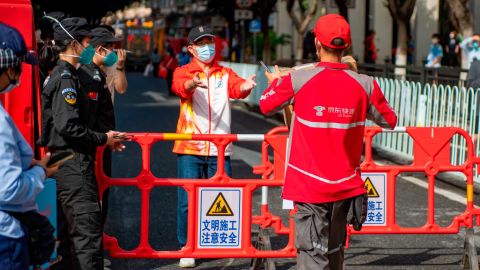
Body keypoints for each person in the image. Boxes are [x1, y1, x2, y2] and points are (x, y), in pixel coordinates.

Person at [259, 14, 397, 269]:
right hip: (345, 188)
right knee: (334, 255)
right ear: (346, 46)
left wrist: (277, 82)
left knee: (312, 257)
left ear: (316, 44)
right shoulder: (365, 84)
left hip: (309, 187)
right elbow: (390, 119)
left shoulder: (298, 80)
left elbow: (265, 103)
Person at [38, 17, 125, 270]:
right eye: (87, 42)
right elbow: (69, 126)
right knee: (87, 239)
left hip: (65, 163)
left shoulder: (64, 73)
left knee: (70, 240)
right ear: (75, 44)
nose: (90, 48)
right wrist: (103, 138)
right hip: (73, 165)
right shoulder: (66, 77)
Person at [172, 25, 256, 268]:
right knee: (187, 201)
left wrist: (245, 86)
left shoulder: (224, 73)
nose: (207, 47)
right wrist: (192, 83)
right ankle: (186, 247)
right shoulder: (182, 71)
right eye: (201, 43)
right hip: (190, 147)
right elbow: (180, 87)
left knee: (221, 197)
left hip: (220, 148)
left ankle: (212, 243)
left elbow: (237, 88)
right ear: (191, 48)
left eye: (210, 41)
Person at [0, 22, 58, 270]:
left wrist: (26, 164)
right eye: (17, 68)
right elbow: (8, 189)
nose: (18, 75)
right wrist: (41, 171)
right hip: (6, 239)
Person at [77, 26, 120, 227]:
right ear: (101, 49)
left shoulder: (96, 73)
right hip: (95, 146)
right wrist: (104, 138)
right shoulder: (88, 76)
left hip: (103, 143)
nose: (114, 53)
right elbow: (88, 119)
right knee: (94, 197)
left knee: (102, 192)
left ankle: (97, 240)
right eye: (111, 48)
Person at [97, 25, 128, 103]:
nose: (113, 46)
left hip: (107, 111)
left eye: (113, 42)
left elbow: (121, 89)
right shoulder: (83, 62)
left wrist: (120, 66)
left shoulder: (115, 61)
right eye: (109, 43)